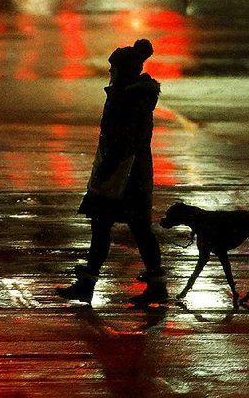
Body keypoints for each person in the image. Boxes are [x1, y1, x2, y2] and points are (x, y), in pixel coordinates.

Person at [57, 39, 167, 306]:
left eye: (113, 69)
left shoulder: (130, 99)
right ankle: (152, 285)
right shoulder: (130, 95)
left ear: (125, 71)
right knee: (117, 228)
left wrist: (107, 168)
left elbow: (126, 140)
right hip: (129, 174)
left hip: (125, 176)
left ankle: (93, 284)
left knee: (126, 228)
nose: (110, 74)